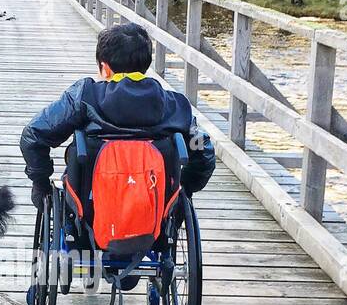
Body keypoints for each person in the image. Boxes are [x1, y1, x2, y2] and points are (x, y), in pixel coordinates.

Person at [20, 21, 216, 211]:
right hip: (153, 204)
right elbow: (203, 149)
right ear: (145, 65)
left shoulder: (84, 97)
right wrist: (186, 186)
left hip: (91, 206)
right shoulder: (176, 106)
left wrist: (40, 183)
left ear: (105, 68)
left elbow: (33, 136)